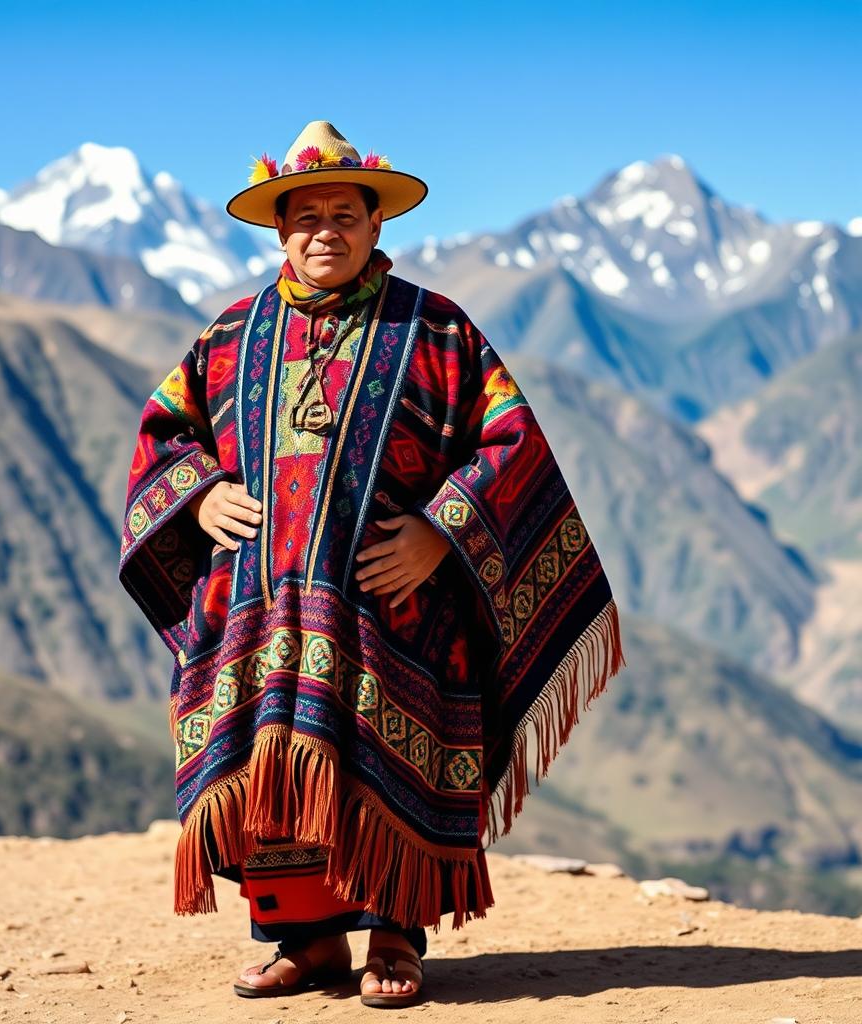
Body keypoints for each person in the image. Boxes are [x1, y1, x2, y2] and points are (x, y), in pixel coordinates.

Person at [118, 120, 625, 1008]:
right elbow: (165, 433)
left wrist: (442, 532)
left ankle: (395, 935)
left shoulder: (438, 329)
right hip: (262, 609)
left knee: (391, 770)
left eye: (343, 213)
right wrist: (197, 495)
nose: (325, 231)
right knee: (274, 773)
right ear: (280, 230)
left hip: (397, 608)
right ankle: (304, 940)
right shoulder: (228, 337)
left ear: (376, 223)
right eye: (305, 215)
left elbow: (512, 443)